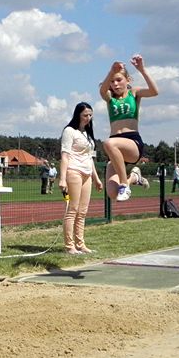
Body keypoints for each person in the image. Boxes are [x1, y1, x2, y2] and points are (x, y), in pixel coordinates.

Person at [99, 55, 159, 201]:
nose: (115, 84)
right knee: (113, 194)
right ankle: (134, 177)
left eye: (119, 80)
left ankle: (125, 184)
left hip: (132, 142)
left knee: (108, 143)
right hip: (115, 148)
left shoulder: (134, 93)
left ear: (128, 80)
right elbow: (102, 91)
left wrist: (142, 70)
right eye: (112, 81)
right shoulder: (109, 98)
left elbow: (154, 91)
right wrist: (111, 71)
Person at [58, 102, 103, 254]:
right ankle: (69, 246)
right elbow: (65, 155)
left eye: (90, 115)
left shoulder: (88, 135)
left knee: (83, 212)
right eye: (85, 115)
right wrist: (62, 178)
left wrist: (96, 178)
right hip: (73, 171)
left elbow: (90, 158)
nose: (88, 118)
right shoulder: (69, 131)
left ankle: (80, 244)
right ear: (78, 114)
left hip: (87, 174)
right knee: (73, 209)